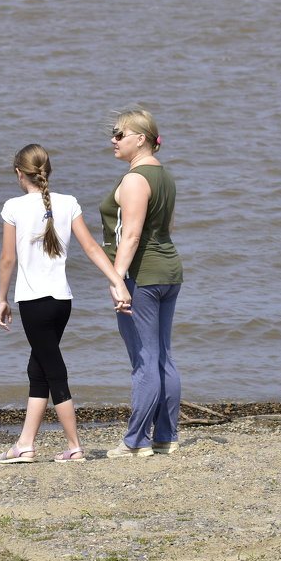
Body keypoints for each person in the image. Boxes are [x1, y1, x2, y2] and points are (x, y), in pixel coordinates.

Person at [0, 143, 130, 464]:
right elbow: (93, 248)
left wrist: (1, 298)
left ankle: (74, 446)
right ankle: (25, 444)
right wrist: (116, 280)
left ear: (19, 173)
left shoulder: (13, 207)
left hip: (33, 302)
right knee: (38, 368)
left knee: (53, 371)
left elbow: (6, 259)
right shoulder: (68, 203)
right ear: (47, 171)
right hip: (61, 302)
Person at [100, 108, 184, 458]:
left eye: (120, 134)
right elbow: (166, 229)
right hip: (167, 271)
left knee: (145, 358)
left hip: (143, 276)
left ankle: (136, 441)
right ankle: (165, 436)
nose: (113, 140)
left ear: (141, 138)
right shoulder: (164, 175)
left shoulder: (135, 179)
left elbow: (131, 236)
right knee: (162, 355)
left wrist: (117, 278)